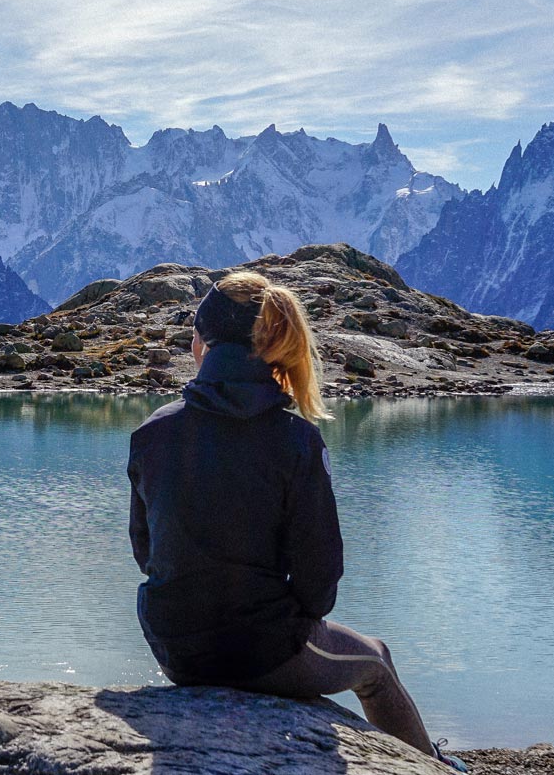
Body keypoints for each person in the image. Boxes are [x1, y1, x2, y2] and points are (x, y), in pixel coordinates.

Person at [127, 271, 465, 771]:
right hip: (260, 650)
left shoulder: (152, 431)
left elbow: (145, 552)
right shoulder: (296, 441)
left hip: (172, 644)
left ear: (202, 343)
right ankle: (429, 767)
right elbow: (318, 582)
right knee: (375, 663)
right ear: (274, 348)